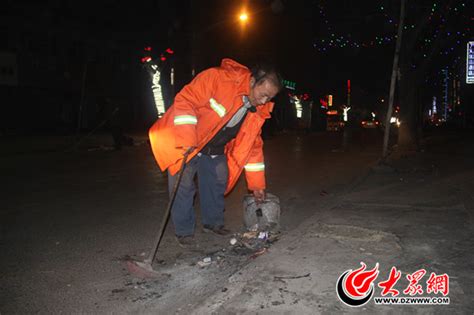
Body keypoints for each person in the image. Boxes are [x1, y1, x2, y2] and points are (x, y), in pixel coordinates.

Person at [148, 58, 282, 248]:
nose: (263, 101)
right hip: (189, 139)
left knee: (217, 182)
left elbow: (253, 146)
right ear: (252, 81)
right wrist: (186, 138)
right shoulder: (218, 79)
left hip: (215, 147)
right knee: (183, 186)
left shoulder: (257, 111)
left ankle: (213, 223)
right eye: (263, 94)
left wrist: (257, 185)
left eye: (269, 98)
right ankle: (184, 232)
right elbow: (185, 100)